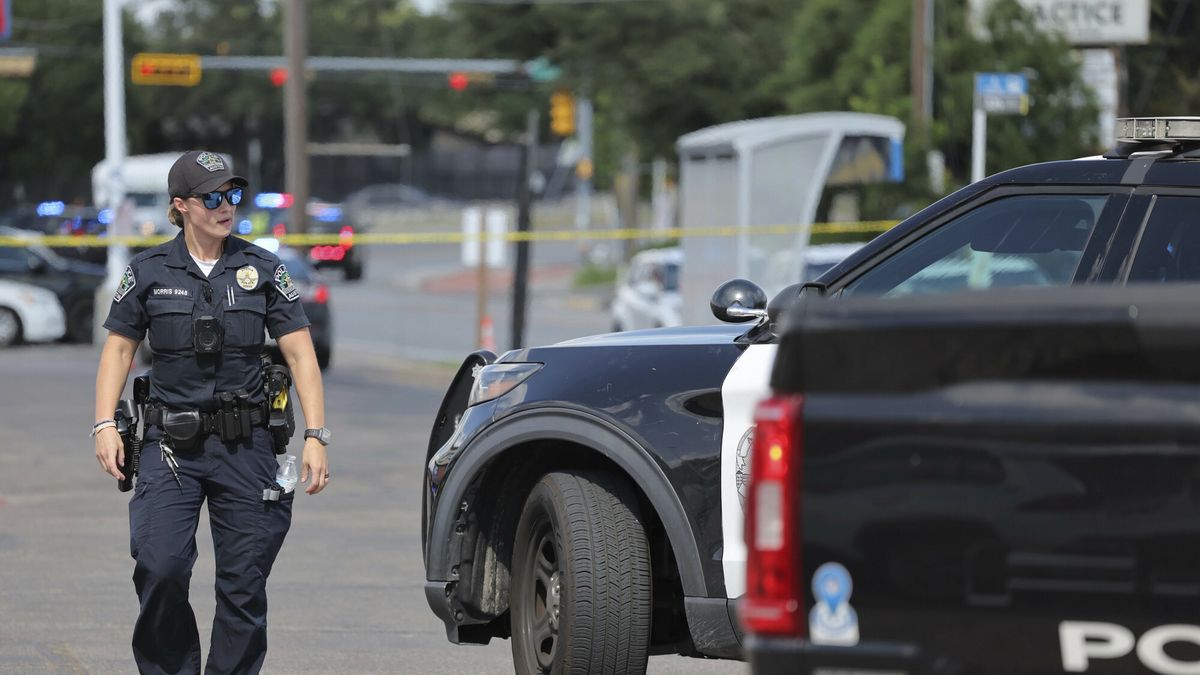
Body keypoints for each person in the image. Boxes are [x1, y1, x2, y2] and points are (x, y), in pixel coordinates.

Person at [92, 150, 331, 674]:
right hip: (168, 447)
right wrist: (104, 423)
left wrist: (316, 434)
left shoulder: (263, 268)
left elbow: (299, 351)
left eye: (233, 195)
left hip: (247, 447)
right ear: (180, 206)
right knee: (160, 567)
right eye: (213, 197)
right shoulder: (150, 270)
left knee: (244, 584)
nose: (227, 207)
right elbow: (118, 349)